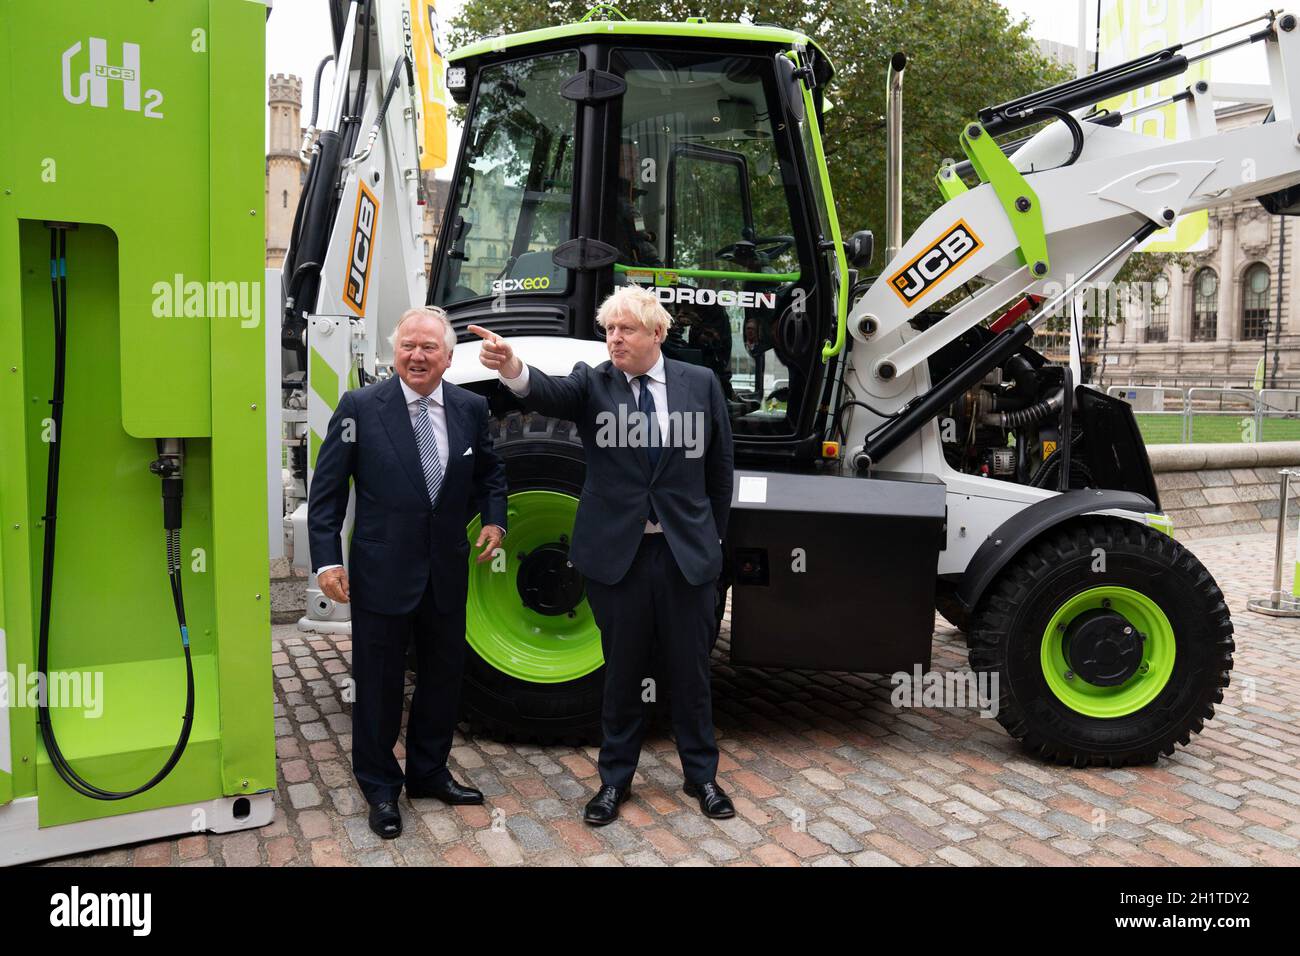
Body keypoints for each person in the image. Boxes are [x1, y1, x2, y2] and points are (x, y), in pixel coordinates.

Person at [469, 285, 735, 825]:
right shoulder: (593, 382)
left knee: (690, 674)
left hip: (685, 557)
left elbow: (719, 474)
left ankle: (702, 778)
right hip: (621, 559)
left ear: (656, 334)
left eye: (626, 330)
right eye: (609, 330)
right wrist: (512, 366)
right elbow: (545, 393)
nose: (614, 339)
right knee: (622, 673)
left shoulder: (700, 384)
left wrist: (711, 541)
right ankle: (614, 782)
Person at [309, 306, 508, 839]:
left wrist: (495, 521)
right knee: (377, 684)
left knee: (443, 679)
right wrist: (327, 560)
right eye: (407, 347)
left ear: (447, 357)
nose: (416, 356)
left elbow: (490, 473)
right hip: (381, 573)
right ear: (395, 352)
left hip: (446, 572)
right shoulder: (360, 407)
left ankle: (428, 773)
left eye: (428, 348)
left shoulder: (471, 408)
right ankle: (379, 786)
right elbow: (326, 494)